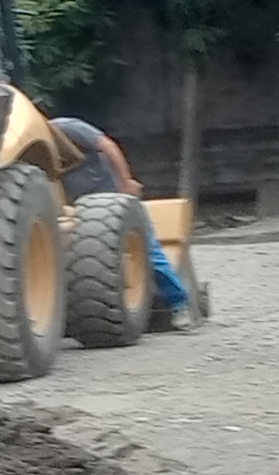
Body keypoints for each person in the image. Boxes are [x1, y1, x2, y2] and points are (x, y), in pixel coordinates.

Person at [46, 112, 195, 323]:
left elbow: (108, 146)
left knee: (148, 252)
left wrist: (126, 182)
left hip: (115, 200)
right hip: (84, 211)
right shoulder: (38, 152)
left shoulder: (66, 127)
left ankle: (179, 303)